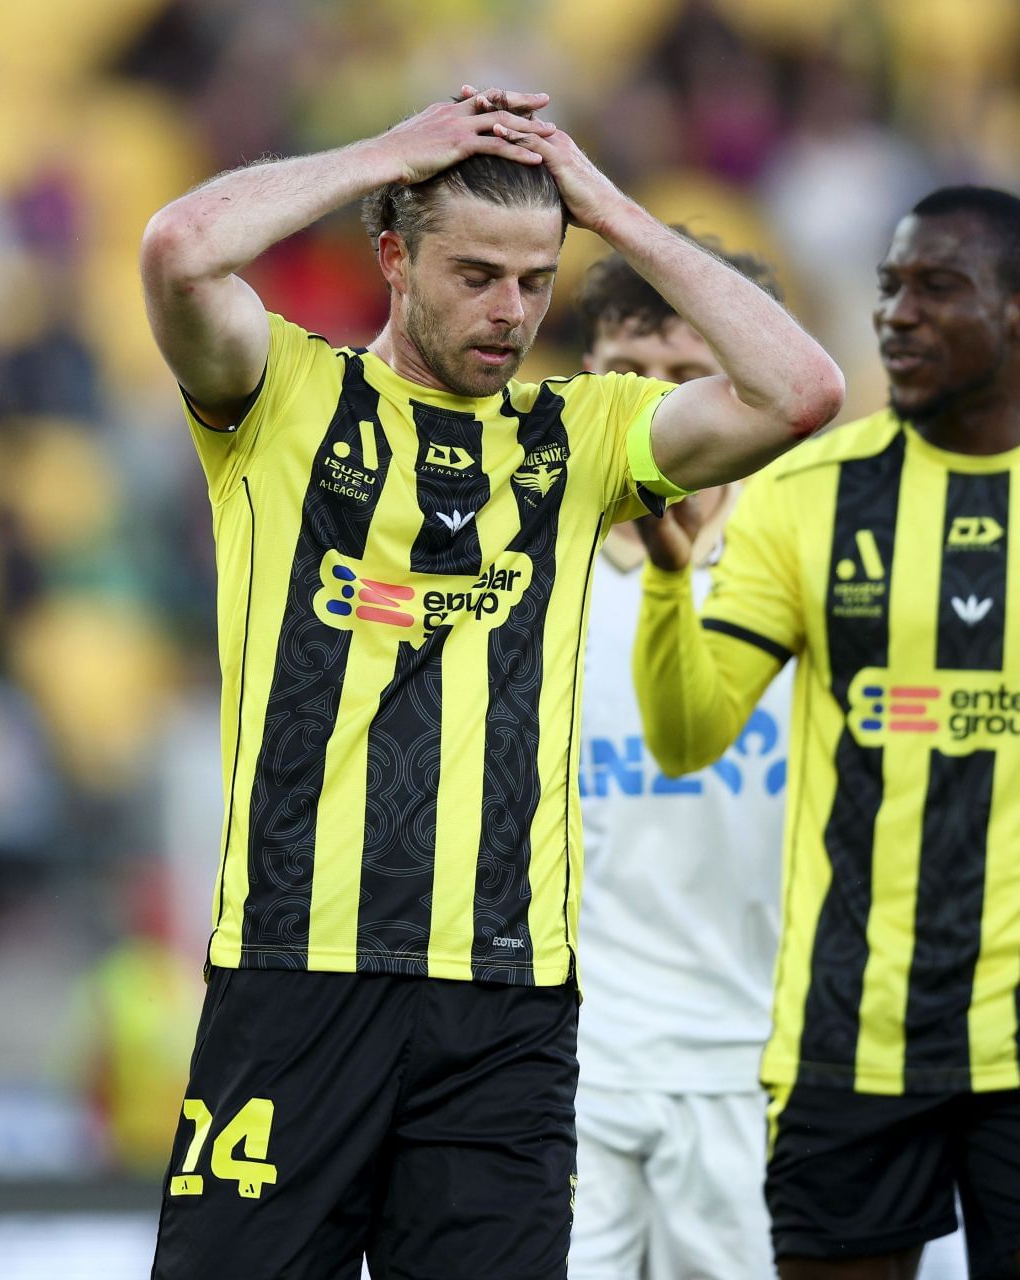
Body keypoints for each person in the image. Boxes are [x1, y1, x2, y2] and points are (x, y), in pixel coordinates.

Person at [138, 85, 844, 1277]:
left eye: (536, 279)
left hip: (506, 1001)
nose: (510, 310)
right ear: (394, 258)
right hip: (295, 971)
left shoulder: (581, 438)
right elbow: (179, 248)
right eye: (475, 274)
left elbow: (803, 391)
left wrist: (608, 210)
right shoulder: (282, 397)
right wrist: (386, 151)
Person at [632, 185, 1020, 1280]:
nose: (898, 314)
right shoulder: (806, 495)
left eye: (937, 287)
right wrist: (665, 583)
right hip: (853, 1035)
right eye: (889, 288)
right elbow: (689, 737)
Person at [569, 235, 796, 1278]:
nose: (655, 401)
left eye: (685, 371)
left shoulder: (804, 571)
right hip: (567, 1061)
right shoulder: (526, 567)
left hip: (757, 1062)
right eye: (628, 369)